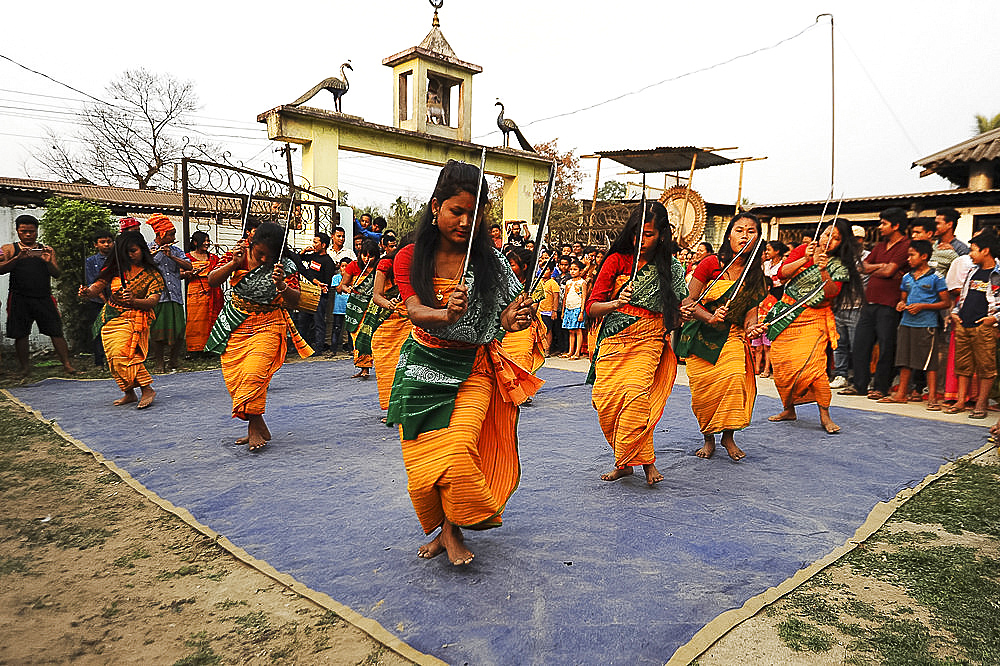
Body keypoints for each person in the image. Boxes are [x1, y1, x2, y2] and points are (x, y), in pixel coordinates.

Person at [386, 160, 539, 566]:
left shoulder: (492, 264)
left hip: (473, 369)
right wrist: (445, 315)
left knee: (457, 450)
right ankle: (443, 529)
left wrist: (514, 317)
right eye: (457, 211)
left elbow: (505, 316)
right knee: (422, 466)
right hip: (421, 368)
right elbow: (415, 311)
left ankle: (452, 532)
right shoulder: (409, 258)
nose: (465, 222)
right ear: (436, 206)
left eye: (474, 214)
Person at [586, 201, 686, 484]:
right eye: (636, 233)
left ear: (663, 235)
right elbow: (592, 307)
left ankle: (646, 462)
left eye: (649, 234)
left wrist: (685, 310)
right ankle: (625, 460)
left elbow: (681, 305)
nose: (641, 240)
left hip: (648, 339)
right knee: (606, 403)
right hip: (613, 340)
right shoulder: (616, 260)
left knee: (636, 396)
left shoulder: (670, 267)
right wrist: (616, 302)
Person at [205, 222, 313, 451]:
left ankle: (254, 430)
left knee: (254, 374)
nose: (264, 260)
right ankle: (257, 421)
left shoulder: (286, 265)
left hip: (269, 324)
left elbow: (296, 301)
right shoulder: (238, 253)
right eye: (259, 253)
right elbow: (212, 281)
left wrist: (282, 284)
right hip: (236, 324)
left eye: (270, 256)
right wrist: (232, 264)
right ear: (252, 243)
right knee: (236, 379)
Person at [678, 213, 767, 461]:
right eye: (740, 230)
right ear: (730, 235)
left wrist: (753, 329)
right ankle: (708, 439)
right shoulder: (710, 264)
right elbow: (689, 301)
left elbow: (751, 317)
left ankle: (728, 438)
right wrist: (709, 317)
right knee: (704, 392)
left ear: (757, 238)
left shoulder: (755, 275)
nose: (745, 235)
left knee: (735, 379)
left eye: (751, 231)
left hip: (732, 337)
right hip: (702, 334)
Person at [765, 218, 863, 434]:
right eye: (827, 234)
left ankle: (825, 416)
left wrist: (822, 269)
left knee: (814, 368)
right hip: (788, 314)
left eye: (836, 238)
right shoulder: (803, 249)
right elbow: (781, 274)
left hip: (815, 318)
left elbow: (831, 292)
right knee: (782, 366)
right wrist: (806, 259)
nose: (829, 240)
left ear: (842, 243)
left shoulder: (839, 264)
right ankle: (788, 409)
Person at [78, 231, 164, 408]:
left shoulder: (152, 274)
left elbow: (153, 301)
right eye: (126, 252)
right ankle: (129, 392)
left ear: (142, 249)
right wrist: (86, 292)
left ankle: (147, 389)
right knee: (112, 357)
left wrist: (133, 300)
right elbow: (96, 288)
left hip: (135, 317)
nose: (130, 255)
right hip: (111, 317)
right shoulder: (115, 270)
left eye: (133, 251)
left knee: (124, 354)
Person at [840, 207, 910, 400]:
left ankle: (881, 386)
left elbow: (888, 272)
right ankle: (859, 385)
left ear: (895, 226)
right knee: (861, 345)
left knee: (886, 347)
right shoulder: (880, 246)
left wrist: (877, 269)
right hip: (869, 302)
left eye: (884, 223)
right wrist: (881, 266)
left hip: (890, 303)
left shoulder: (905, 245)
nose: (880, 227)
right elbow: (861, 267)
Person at [876, 240, 950, 408]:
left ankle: (932, 397)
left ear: (924, 256)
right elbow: (903, 298)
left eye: (912, 255)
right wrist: (901, 304)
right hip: (906, 322)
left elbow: (946, 303)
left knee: (929, 362)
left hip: (927, 324)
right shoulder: (907, 277)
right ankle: (901, 393)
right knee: (904, 359)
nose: (908, 259)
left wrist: (923, 306)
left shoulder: (936, 277)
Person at [0, 215, 77, 375]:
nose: (28, 235)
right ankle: (25, 368)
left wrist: (48, 261)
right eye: (24, 231)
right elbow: (1, 269)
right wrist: (17, 258)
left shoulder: (45, 249)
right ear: (17, 231)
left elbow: (57, 274)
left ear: (37, 231)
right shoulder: (9, 248)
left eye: (32, 232)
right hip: (18, 297)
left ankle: (67, 365)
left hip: (43, 297)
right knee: (21, 333)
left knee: (56, 331)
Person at [944, 231, 999, 418]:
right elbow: (964, 297)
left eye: (973, 250)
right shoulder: (972, 271)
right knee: (963, 365)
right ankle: (960, 401)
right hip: (964, 323)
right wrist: (956, 313)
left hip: (984, 326)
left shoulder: (997, 273)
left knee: (985, 367)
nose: (970, 254)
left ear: (986, 250)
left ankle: (981, 404)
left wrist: (994, 319)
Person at [371, 241, 414, 416]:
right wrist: (390, 305)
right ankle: (392, 408)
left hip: (409, 321)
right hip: (386, 322)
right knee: (388, 367)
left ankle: (407, 406)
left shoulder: (424, 263)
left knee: (409, 364)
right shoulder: (385, 264)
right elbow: (376, 296)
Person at [146, 214, 192, 373]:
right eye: (171, 234)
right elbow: (139, 267)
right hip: (157, 297)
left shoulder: (176, 250)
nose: (174, 236)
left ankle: (173, 361)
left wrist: (171, 256)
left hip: (175, 296)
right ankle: (159, 363)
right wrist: (152, 256)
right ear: (161, 234)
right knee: (157, 331)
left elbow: (189, 266)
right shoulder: (147, 249)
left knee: (179, 331)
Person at [830, 226, 869, 389]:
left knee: (857, 346)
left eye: (858, 239)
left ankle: (858, 377)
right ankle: (841, 374)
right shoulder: (841, 257)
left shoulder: (867, 257)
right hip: (838, 306)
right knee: (839, 345)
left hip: (857, 306)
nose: (855, 242)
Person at [340, 239, 381, 378]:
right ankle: (364, 367)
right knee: (357, 336)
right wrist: (348, 289)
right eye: (364, 255)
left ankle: (375, 366)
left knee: (369, 336)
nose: (367, 258)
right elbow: (343, 285)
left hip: (373, 306)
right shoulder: (353, 266)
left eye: (370, 256)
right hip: (356, 306)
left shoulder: (381, 267)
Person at [502, 247, 547, 375]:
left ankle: (522, 393)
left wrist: (525, 306)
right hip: (503, 330)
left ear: (524, 266)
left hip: (524, 328)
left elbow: (532, 311)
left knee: (522, 360)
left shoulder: (535, 285)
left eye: (511, 265)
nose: (508, 268)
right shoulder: (502, 283)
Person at [182, 231, 223, 355]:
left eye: (208, 240)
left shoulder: (213, 258)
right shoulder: (186, 258)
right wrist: (189, 273)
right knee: (195, 320)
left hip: (212, 292)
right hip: (194, 292)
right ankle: (195, 349)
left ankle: (212, 347)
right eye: (204, 241)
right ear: (195, 242)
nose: (207, 243)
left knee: (212, 319)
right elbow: (179, 273)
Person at [298, 232, 336, 352]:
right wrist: (303, 252)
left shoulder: (328, 261)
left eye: (316, 242)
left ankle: (319, 348)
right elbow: (299, 260)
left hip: (320, 296)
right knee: (302, 321)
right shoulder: (313, 256)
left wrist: (319, 285)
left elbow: (327, 282)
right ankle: (303, 348)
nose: (313, 245)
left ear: (323, 245)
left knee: (318, 321)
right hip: (307, 293)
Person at [83, 228, 114, 368]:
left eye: (109, 242)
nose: (106, 245)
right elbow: (92, 282)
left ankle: (112, 359)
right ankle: (99, 360)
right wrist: (103, 299)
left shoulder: (117, 259)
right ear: (96, 244)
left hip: (116, 301)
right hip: (97, 301)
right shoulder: (90, 261)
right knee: (98, 330)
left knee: (113, 330)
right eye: (102, 242)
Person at [560, 260, 588, 359]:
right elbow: (565, 297)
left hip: (578, 308)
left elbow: (584, 297)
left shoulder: (582, 282)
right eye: (571, 269)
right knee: (571, 330)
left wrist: (581, 311)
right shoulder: (568, 282)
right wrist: (563, 311)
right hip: (569, 307)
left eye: (575, 269)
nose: (572, 271)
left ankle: (577, 352)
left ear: (580, 271)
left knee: (578, 330)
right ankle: (570, 351)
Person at [329, 257, 353, 353]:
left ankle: (351, 349)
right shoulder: (336, 278)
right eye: (342, 266)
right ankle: (333, 350)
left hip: (350, 307)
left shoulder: (354, 278)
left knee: (350, 330)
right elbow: (338, 289)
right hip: (339, 308)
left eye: (346, 266)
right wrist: (344, 278)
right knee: (336, 328)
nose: (344, 268)